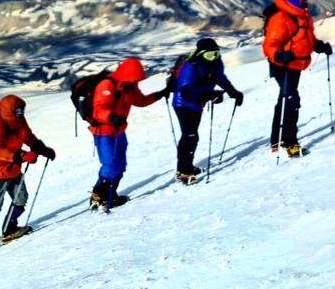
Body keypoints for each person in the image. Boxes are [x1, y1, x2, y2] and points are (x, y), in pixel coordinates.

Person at [0, 94, 56, 258]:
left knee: (21, 198)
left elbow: (28, 136)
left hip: (13, 168)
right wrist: (22, 155)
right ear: (8, 110)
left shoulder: (19, 121)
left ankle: (9, 229)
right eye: (17, 111)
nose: (20, 113)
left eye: (21, 110)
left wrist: (42, 149)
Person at [88, 57, 167, 210]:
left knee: (120, 165)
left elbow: (140, 101)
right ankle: (97, 196)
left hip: (119, 130)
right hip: (103, 132)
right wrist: (112, 117)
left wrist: (160, 94)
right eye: (132, 79)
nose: (134, 82)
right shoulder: (107, 85)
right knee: (109, 165)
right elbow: (99, 109)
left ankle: (111, 196)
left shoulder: (129, 86)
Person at [263, 0, 331, 156]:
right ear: (295, 0)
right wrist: (279, 55)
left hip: (295, 65)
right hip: (282, 66)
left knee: (285, 99)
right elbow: (269, 45)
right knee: (292, 100)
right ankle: (290, 143)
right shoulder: (281, 18)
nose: (306, 1)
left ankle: (277, 139)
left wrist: (318, 45)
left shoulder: (303, 15)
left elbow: (307, 37)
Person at [171, 37, 244, 184]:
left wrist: (233, 92)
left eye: (216, 54)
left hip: (197, 104)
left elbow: (220, 78)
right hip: (183, 103)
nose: (213, 58)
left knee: (192, 136)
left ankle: (186, 167)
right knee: (190, 135)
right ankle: (184, 172)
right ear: (200, 54)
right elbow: (186, 92)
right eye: (209, 55)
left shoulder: (216, 64)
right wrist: (210, 95)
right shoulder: (190, 67)